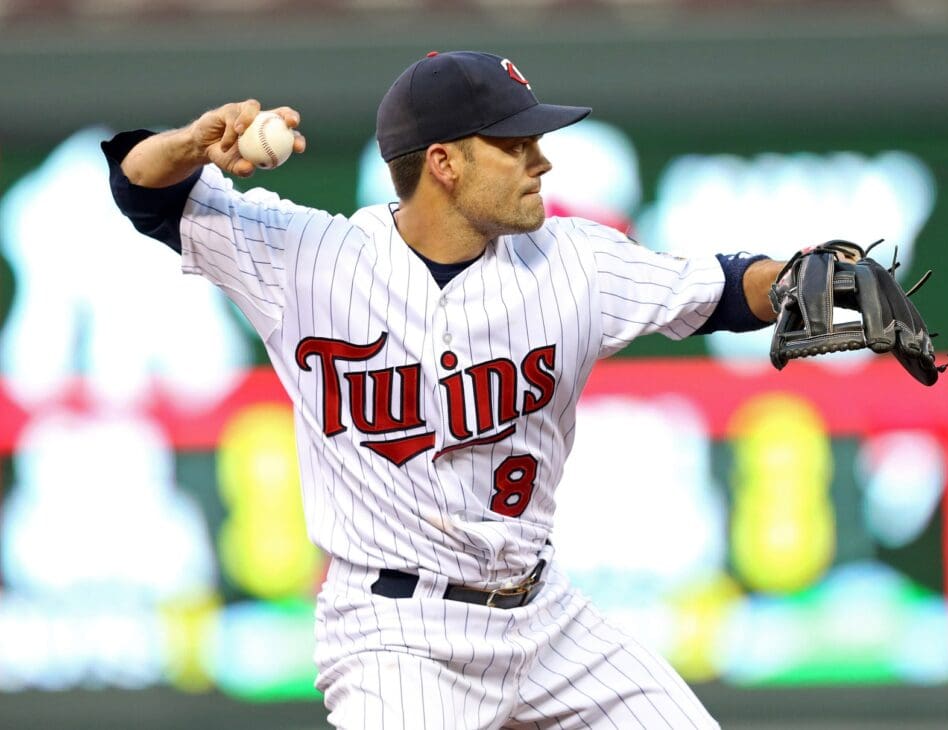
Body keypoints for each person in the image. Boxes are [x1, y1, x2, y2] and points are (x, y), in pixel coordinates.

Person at [104, 50, 785, 729]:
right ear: (444, 163)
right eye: (515, 146)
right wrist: (195, 142)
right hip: (396, 635)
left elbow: (727, 287)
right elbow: (145, 192)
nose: (540, 162)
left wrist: (802, 278)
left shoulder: (574, 260)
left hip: (549, 622)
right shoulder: (309, 258)